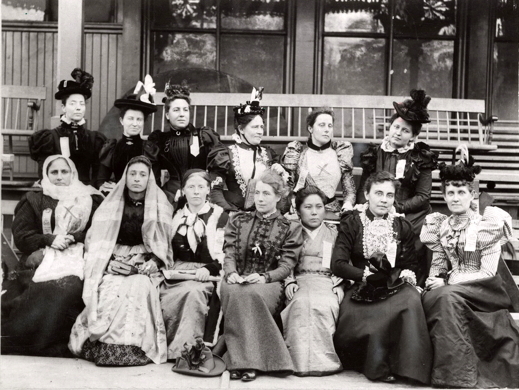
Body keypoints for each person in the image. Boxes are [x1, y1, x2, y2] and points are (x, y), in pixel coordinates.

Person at [420, 148, 519, 388]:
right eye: (450, 193)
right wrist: (434, 280)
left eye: (461, 192)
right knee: (432, 296)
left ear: (471, 194)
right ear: (443, 196)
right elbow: (438, 264)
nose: (455, 198)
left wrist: (448, 282)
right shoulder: (441, 226)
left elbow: (487, 273)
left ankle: (457, 376)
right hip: (454, 288)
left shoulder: (487, 224)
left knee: (446, 296)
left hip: (486, 291)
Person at [69, 156, 174, 366]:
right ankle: (103, 347)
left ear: (149, 178)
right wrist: (107, 263)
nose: (137, 179)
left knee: (138, 287)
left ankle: (133, 348)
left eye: (142, 175)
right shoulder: (112, 203)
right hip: (115, 258)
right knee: (109, 288)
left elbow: (164, 242)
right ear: (125, 177)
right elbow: (98, 239)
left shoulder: (160, 203)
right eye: (132, 174)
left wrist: (155, 260)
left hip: (145, 263)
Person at [332, 171, 432, 384]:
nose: (384, 200)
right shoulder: (352, 222)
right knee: (367, 315)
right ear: (366, 194)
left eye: (389, 195)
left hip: (393, 283)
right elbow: (338, 264)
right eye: (378, 193)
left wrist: (405, 275)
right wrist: (365, 275)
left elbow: (410, 264)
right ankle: (376, 365)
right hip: (361, 284)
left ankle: (408, 369)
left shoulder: (401, 225)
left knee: (411, 300)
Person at [2, 155, 102, 356]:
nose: (59, 177)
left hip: (78, 258)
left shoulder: (89, 199)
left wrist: (73, 237)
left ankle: (48, 342)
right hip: (40, 258)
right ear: (46, 175)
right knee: (37, 286)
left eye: (64, 172)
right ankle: (22, 340)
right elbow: (22, 236)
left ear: (72, 173)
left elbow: (99, 231)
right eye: (53, 172)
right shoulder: (34, 199)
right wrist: (48, 239)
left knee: (68, 287)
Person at [221, 169, 303, 381]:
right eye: (257, 193)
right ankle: (247, 363)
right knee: (236, 291)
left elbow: (286, 266)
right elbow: (229, 252)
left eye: (266, 194)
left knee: (251, 294)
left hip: (269, 282)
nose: (260, 198)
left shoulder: (289, 227)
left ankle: (242, 363)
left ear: (278, 196)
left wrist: (265, 277)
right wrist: (230, 273)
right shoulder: (238, 220)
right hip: (237, 278)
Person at [160, 169, 228, 360]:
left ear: (208, 189)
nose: (196, 192)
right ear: (183, 191)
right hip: (176, 271)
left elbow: (226, 252)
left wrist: (209, 268)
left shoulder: (219, 216)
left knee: (192, 293)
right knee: (160, 294)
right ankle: (165, 348)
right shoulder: (174, 216)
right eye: (191, 187)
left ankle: (187, 351)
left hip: (208, 273)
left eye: (201, 187)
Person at [281, 186, 344, 376]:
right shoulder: (291, 231)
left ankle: (324, 362)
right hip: (299, 280)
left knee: (324, 305)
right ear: (299, 209)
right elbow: (284, 260)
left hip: (325, 281)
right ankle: (297, 362)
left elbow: (342, 261)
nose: (314, 212)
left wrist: (339, 284)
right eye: (308, 207)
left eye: (319, 206)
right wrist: (289, 281)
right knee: (300, 304)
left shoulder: (334, 233)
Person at [357, 89, 437, 234]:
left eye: (405, 131)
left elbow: (423, 196)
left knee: (404, 231)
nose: (398, 132)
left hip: (411, 213)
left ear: (413, 136)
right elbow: (363, 188)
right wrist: (370, 207)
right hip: (376, 207)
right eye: (396, 127)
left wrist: (397, 208)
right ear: (390, 127)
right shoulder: (374, 154)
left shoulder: (421, 157)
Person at [208, 88, 288, 212]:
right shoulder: (226, 154)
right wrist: (231, 214)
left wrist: (281, 173)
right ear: (241, 129)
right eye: (255, 127)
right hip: (235, 214)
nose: (260, 131)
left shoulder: (269, 154)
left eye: (261, 127)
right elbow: (215, 191)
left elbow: (281, 192)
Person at [145, 81, 222, 204]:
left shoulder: (204, 136)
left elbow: (218, 170)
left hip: (200, 193)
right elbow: (153, 176)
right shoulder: (160, 139)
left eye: (185, 110)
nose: (182, 114)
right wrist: (162, 197)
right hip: (169, 196)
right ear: (167, 115)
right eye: (176, 110)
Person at [29, 68, 106, 185]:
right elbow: (44, 173)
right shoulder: (50, 138)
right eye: (72, 103)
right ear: (63, 107)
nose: (78, 107)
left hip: (85, 192)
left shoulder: (93, 139)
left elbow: (97, 174)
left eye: (82, 103)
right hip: (58, 191)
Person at [282, 107, 355, 217]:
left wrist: (347, 205)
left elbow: (349, 190)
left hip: (332, 213)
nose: (327, 129)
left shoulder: (339, 152)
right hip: (304, 212)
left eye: (330, 126)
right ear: (310, 128)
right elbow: (288, 188)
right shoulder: (298, 152)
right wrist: (292, 202)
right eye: (322, 125)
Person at [96, 75, 158, 193]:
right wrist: (107, 187)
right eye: (130, 118)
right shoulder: (112, 148)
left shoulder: (149, 149)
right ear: (121, 120)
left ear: (143, 122)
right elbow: (101, 180)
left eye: (139, 120)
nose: (134, 124)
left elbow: (155, 182)